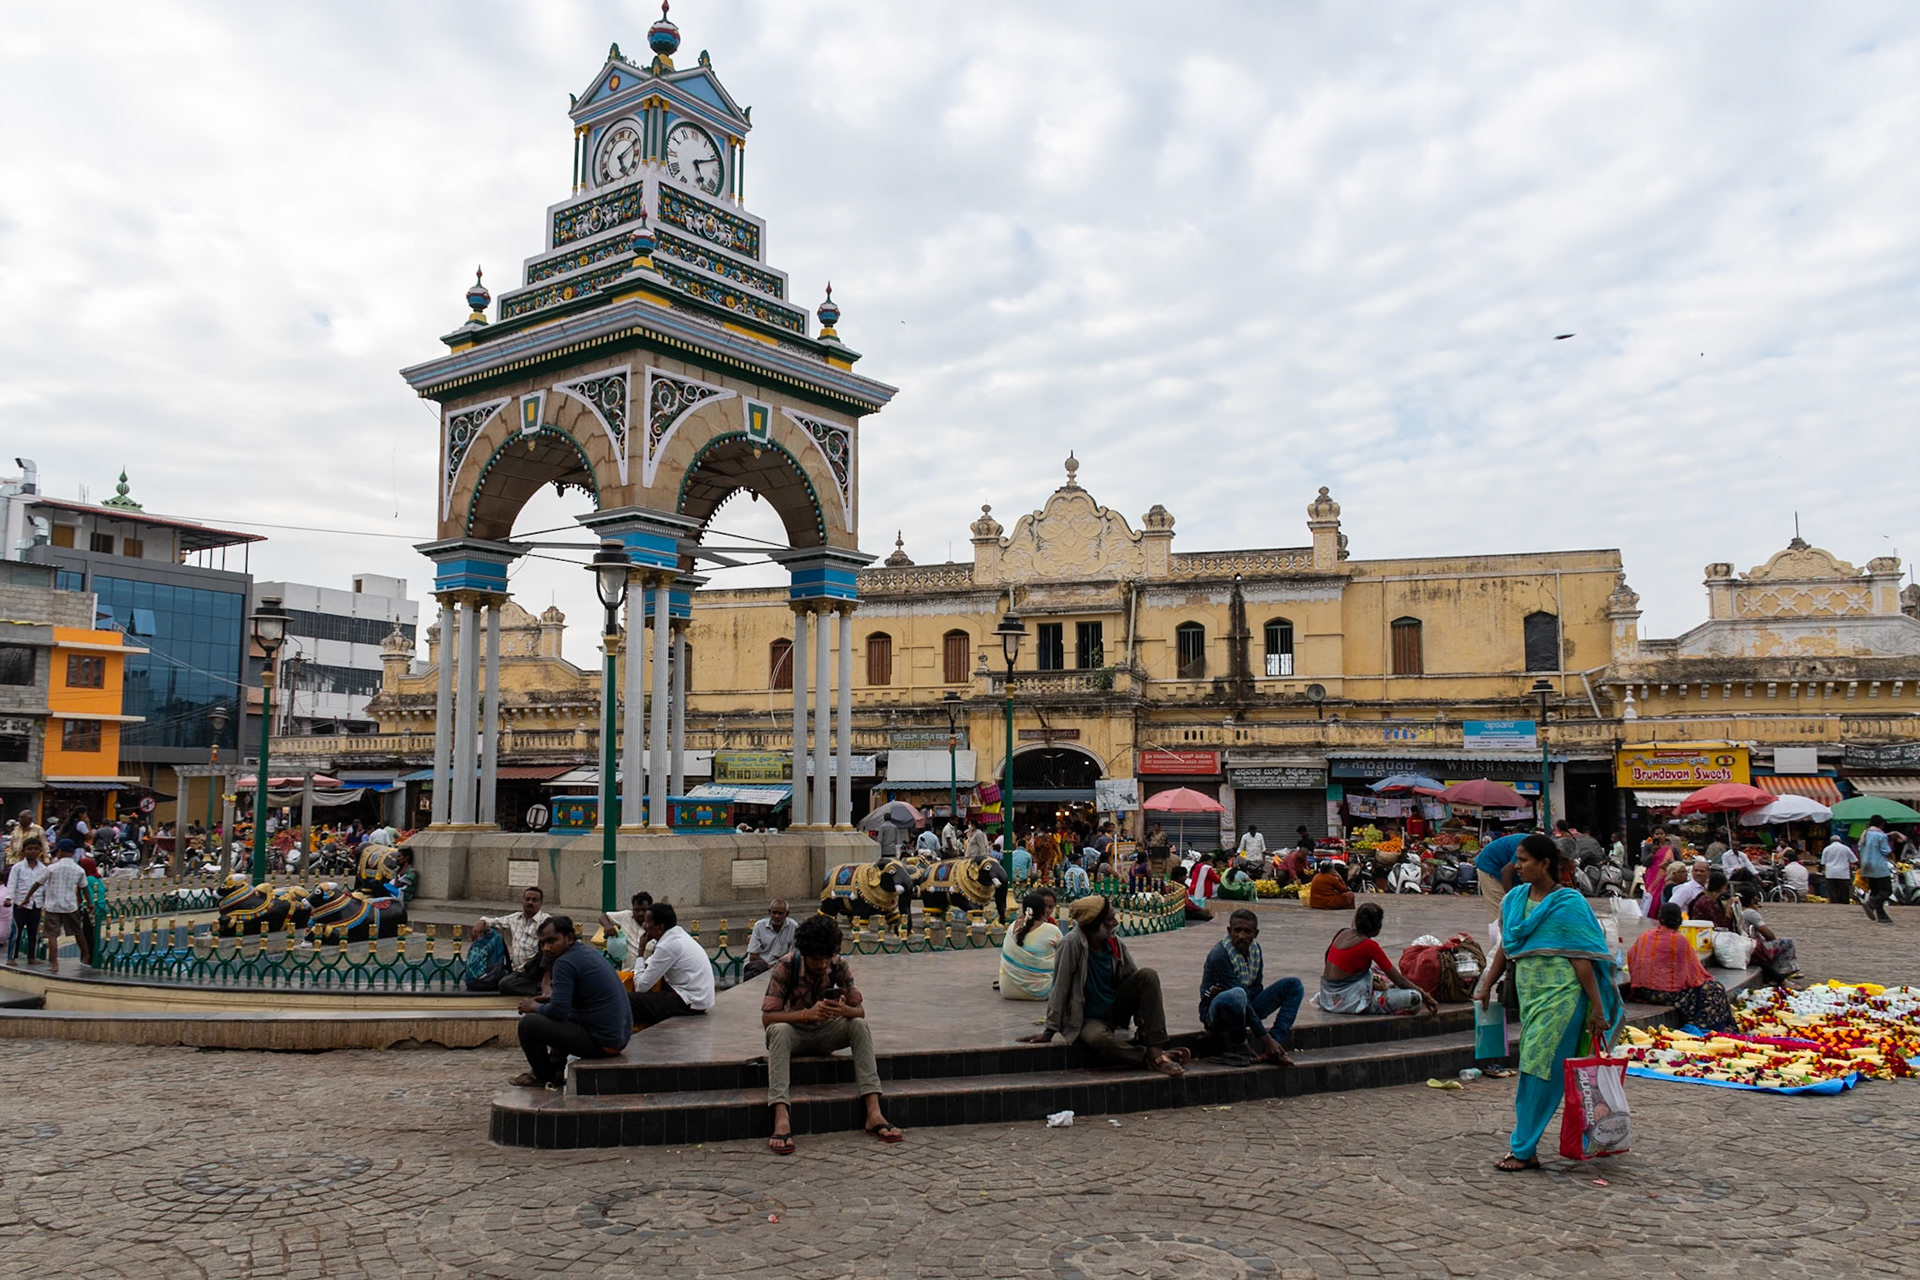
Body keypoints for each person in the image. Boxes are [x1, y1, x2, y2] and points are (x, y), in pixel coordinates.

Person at [1472, 834, 1624, 1172]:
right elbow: (1505, 949)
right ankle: (1528, 1145)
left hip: (1563, 1000)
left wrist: (1598, 1010)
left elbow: (1582, 959)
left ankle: (1523, 1148)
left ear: (1544, 864)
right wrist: (1485, 985)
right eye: (1517, 859)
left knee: (1536, 1071)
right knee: (1535, 1068)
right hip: (1531, 1000)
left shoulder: (1568, 903)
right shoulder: (1513, 901)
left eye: (1524, 860)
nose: (1516, 866)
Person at [761, 914, 900, 1153]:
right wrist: (807, 1014)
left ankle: (874, 1112)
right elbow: (768, 1018)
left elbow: (860, 1012)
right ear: (805, 954)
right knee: (779, 1030)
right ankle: (781, 1114)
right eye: (817, 960)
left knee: (859, 1025)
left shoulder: (838, 965)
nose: (823, 965)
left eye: (827, 959)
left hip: (826, 1033)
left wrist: (844, 1008)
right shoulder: (786, 965)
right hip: (793, 1034)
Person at [1018, 895, 1188, 1076]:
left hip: (1115, 1008)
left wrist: (1142, 1024)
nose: (1115, 922)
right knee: (1098, 1039)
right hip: (1087, 1018)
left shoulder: (1114, 943)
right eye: (1110, 919)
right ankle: (1151, 1058)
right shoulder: (1071, 944)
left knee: (1148, 976)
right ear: (1094, 924)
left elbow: (1134, 978)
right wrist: (1049, 1030)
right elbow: (1060, 987)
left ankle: (1156, 1049)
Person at [509, 916, 633, 1088]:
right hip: (617, 1038)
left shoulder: (564, 962)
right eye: (543, 943)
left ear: (568, 938)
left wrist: (534, 1006)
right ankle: (557, 1069)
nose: (546, 948)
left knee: (528, 1024)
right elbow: (568, 1003)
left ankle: (543, 1075)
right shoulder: (584, 952)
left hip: (603, 1042)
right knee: (562, 1019)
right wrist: (551, 1000)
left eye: (552, 941)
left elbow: (558, 1012)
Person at [1200, 908, 1302, 1065]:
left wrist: (1245, 993)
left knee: (1294, 985)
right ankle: (1240, 1046)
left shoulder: (1255, 950)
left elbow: (1257, 987)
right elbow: (1241, 995)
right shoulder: (1219, 955)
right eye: (1237, 931)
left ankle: (1275, 1045)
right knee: (1236, 994)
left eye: (1247, 931)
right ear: (1229, 931)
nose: (1241, 936)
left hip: (1245, 1005)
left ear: (1256, 933)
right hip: (1217, 1014)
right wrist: (1264, 1037)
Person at [1624, 903, 1737, 1032]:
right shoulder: (1679, 940)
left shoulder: (1645, 936)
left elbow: (1632, 958)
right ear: (1680, 921)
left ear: (1660, 919)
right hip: (1664, 994)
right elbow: (1693, 976)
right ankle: (1706, 1027)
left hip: (1642, 991)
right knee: (1714, 990)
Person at [1313, 902, 1437, 1016]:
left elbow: (1328, 959)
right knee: (1414, 998)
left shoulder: (1342, 932)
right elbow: (1399, 981)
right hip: (1346, 1001)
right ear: (1377, 927)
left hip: (1327, 995)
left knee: (1377, 971)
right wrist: (1425, 995)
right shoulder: (1369, 946)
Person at [626, 903, 716, 1028]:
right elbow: (651, 964)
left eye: (647, 922)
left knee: (628, 1000)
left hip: (689, 1001)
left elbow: (641, 986)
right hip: (698, 999)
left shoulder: (668, 945)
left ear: (660, 927)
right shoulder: (676, 935)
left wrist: (640, 953)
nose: (643, 925)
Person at [24, 840, 90, 973]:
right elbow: (84, 888)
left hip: (53, 906)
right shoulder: (79, 869)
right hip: (70, 906)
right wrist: (90, 903)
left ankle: (54, 964)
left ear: (59, 852)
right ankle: (85, 956)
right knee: (78, 932)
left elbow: (38, 883)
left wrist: (27, 898)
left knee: (52, 935)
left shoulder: (52, 868)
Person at [473, 886, 552, 998]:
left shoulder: (547, 921)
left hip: (539, 967)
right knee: (504, 984)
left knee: (546, 945)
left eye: (535, 900)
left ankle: (545, 982)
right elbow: (493, 921)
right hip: (520, 971)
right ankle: (537, 986)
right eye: (527, 899)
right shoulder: (515, 918)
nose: (530, 902)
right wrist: (482, 921)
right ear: (522, 901)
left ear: (541, 903)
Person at [998, 889, 1062, 1000]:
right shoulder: (1052, 930)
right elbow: (1065, 955)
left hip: (1007, 990)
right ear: (1042, 910)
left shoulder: (1012, 926)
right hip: (1041, 991)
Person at [5, 836, 46, 963]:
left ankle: (31, 957)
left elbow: (45, 887)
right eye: (29, 849)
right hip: (19, 904)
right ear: (24, 851)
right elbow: (12, 884)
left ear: (40, 851)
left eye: (35, 849)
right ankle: (12, 957)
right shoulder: (18, 867)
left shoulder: (43, 869)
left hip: (36, 904)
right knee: (16, 931)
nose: (32, 851)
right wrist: (8, 898)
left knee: (33, 932)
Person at [1474, 832, 1526, 920]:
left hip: (1505, 866)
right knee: (1500, 913)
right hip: (1490, 865)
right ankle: (1498, 932)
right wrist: (1510, 898)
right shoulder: (1530, 850)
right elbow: (1506, 871)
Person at [743, 899, 796, 979]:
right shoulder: (759, 926)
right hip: (760, 964)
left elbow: (794, 954)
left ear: (787, 914)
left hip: (781, 965)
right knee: (757, 967)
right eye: (774, 913)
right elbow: (753, 955)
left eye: (780, 913)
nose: (777, 916)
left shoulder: (793, 926)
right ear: (769, 912)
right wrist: (770, 967)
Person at [598, 890, 654, 966]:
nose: (640, 913)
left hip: (647, 971)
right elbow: (603, 916)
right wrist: (608, 926)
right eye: (637, 910)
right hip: (627, 972)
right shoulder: (626, 916)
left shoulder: (656, 926)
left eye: (644, 910)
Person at [1858, 816, 1895, 924]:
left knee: (1875, 891)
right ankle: (1871, 903)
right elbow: (1886, 851)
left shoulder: (1864, 834)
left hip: (1866, 865)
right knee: (1886, 890)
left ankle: (1882, 916)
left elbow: (1860, 848)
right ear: (1881, 824)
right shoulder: (1880, 835)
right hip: (1879, 866)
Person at [1819, 832, 1858, 906]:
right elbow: (1854, 860)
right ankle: (1844, 906)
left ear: (1831, 841)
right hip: (1843, 874)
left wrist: (1821, 871)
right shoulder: (1846, 848)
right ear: (1840, 841)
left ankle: (1834, 905)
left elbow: (1822, 863)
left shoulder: (1826, 849)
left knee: (1833, 892)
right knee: (1844, 893)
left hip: (1831, 873)